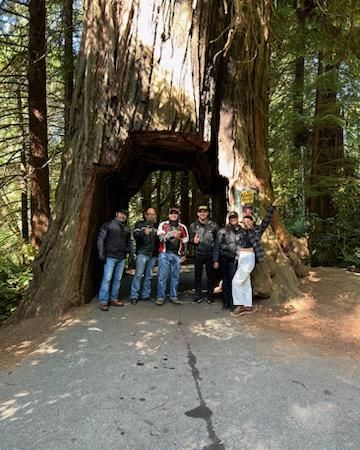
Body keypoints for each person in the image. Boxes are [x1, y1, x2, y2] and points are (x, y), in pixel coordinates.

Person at [231, 200, 278, 316]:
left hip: (249, 257)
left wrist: (272, 207)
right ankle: (248, 306)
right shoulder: (241, 231)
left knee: (236, 281)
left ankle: (239, 305)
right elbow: (233, 225)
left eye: (249, 220)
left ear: (252, 221)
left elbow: (266, 221)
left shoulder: (257, 230)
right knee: (246, 282)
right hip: (241, 257)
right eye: (245, 220)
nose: (246, 222)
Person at [97, 209, 132, 311]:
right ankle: (103, 301)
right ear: (117, 214)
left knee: (118, 279)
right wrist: (101, 252)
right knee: (107, 278)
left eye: (125, 215)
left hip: (121, 257)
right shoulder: (108, 225)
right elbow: (101, 239)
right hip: (110, 256)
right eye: (121, 214)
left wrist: (129, 251)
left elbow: (128, 241)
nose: (123, 216)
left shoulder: (126, 228)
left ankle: (113, 298)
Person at [156, 207, 189, 306]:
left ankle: (173, 296)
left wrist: (184, 254)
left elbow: (185, 241)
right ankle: (160, 297)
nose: (173, 215)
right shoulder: (163, 224)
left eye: (176, 213)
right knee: (162, 276)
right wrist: (171, 235)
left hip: (176, 254)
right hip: (164, 253)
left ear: (178, 215)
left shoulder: (182, 227)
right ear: (168, 215)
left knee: (175, 277)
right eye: (171, 213)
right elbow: (161, 239)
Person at [189, 205, 219, 304]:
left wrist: (216, 258)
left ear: (208, 213)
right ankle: (198, 295)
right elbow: (189, 240)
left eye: (205, 211)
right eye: (200, 211)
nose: (202, 213)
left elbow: (217, 242)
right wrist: (194, 241)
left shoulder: (214, 225)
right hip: (198, 254)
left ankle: (210, 295)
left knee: (211, 276)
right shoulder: (193, 226)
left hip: (210, 254)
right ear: (197, 213)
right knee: (198, 275)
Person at [213, 211, 243, 310]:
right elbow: (217, 245)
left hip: (235, 259)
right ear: (228, 219)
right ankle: (225, 302)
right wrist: (216, 260)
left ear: (237, 218)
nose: (233, 219)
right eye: (231, 218)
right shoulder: (222, 231)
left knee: (234, 281)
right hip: (224, 258)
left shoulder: (241, 230)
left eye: (235, 217)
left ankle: (233, 302)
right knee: (225, 281)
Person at [129, 207, 159, 304]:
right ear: (146, 215)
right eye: (149, 214)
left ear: (155, 216)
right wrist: (143, 233)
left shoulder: (158, 226)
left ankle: (146, 295)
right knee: (138, 275)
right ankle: (134, 296)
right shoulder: (140, 224)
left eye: (153, 214)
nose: (151, 216)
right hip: (142, 253)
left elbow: (160, 240)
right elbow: (135, 236)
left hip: (153, 254)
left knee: (148, 276)